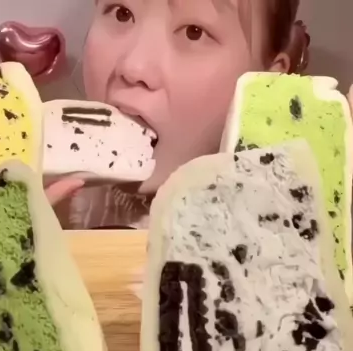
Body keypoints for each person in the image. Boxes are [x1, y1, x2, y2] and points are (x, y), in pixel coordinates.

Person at [47, 0, 310, 228]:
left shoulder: (283, 233)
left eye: (194, 33)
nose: (133, 67)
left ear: (265, 81)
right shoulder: (50, 201)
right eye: (122, 13)